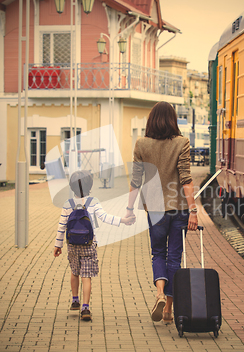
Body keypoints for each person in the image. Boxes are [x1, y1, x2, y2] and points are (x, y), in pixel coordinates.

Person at [125, 101, 198, 324]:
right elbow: (186, 179)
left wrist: (129, 209)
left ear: (151, 120)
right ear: (173, 120)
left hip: (155, 210)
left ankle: (158, 292)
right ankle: (168, 309)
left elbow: (135, 181)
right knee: (174, 257)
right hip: (178, 209)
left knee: (158, 253)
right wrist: (193, 211)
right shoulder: (182, 143)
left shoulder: (141, 144)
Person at [54, 170, 135, 321]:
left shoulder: (68, 204)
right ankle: (85, 307)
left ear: (71, 187)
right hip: (89, 244)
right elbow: (105, 217)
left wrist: (57, 245)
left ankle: (74, 299)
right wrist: (123, 221)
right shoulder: (93, 202)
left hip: (72, 245)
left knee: (74, 271)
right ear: (89, 186)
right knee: (86, 276)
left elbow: (62, 225)